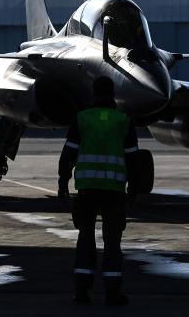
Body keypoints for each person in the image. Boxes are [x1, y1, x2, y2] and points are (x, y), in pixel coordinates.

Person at [58, 76, 138, 306]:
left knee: (85, 238)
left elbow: (69, 153)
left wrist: (63, 181)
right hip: (114, 190)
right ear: (113, 93)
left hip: (87, 190)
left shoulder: (82, 119)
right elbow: (133, 158)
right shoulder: (123, 120)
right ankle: (112, 293)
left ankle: (82, 292)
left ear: (94, 93)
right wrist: (134, 187)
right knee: (113, 242)